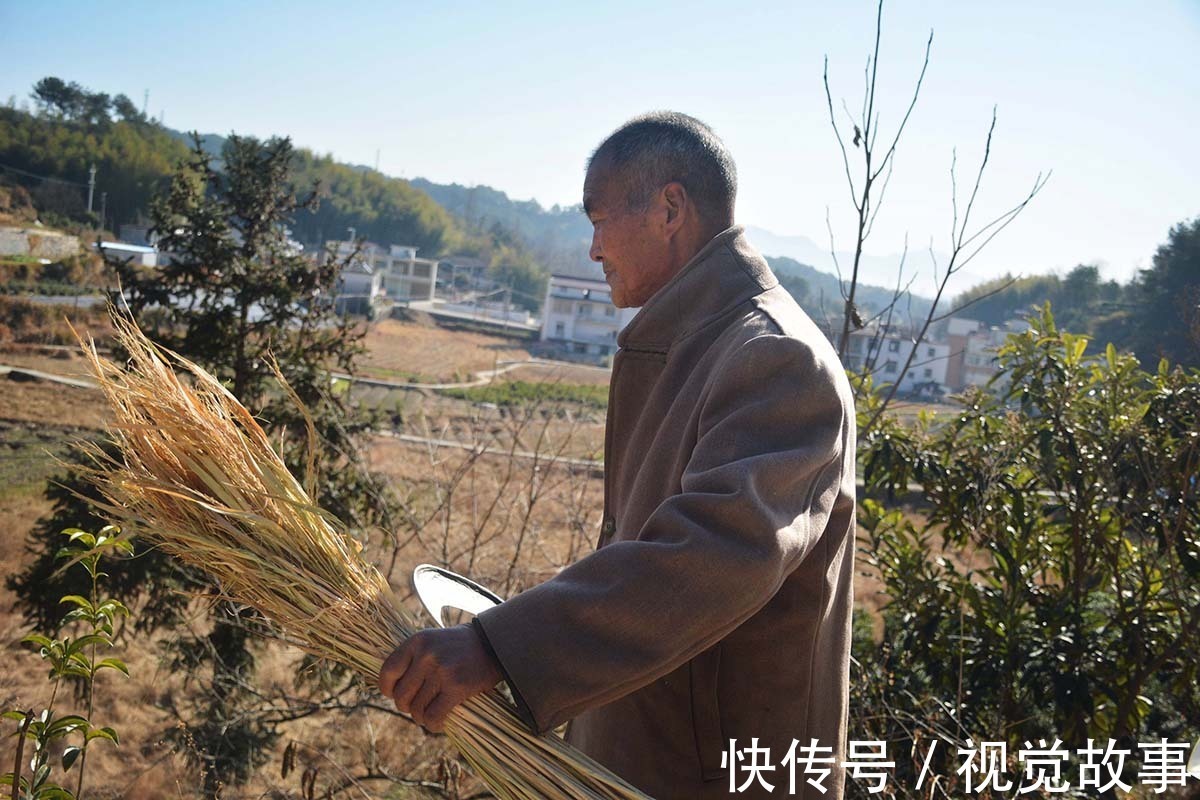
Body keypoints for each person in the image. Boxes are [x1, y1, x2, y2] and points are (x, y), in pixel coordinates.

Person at [380, 112, 856, 800]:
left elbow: (716, 554)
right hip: (645, 758)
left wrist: (500, 649)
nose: (595, 249)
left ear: (670, 208)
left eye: (600, 221)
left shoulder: (777, 358)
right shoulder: (696, 347)